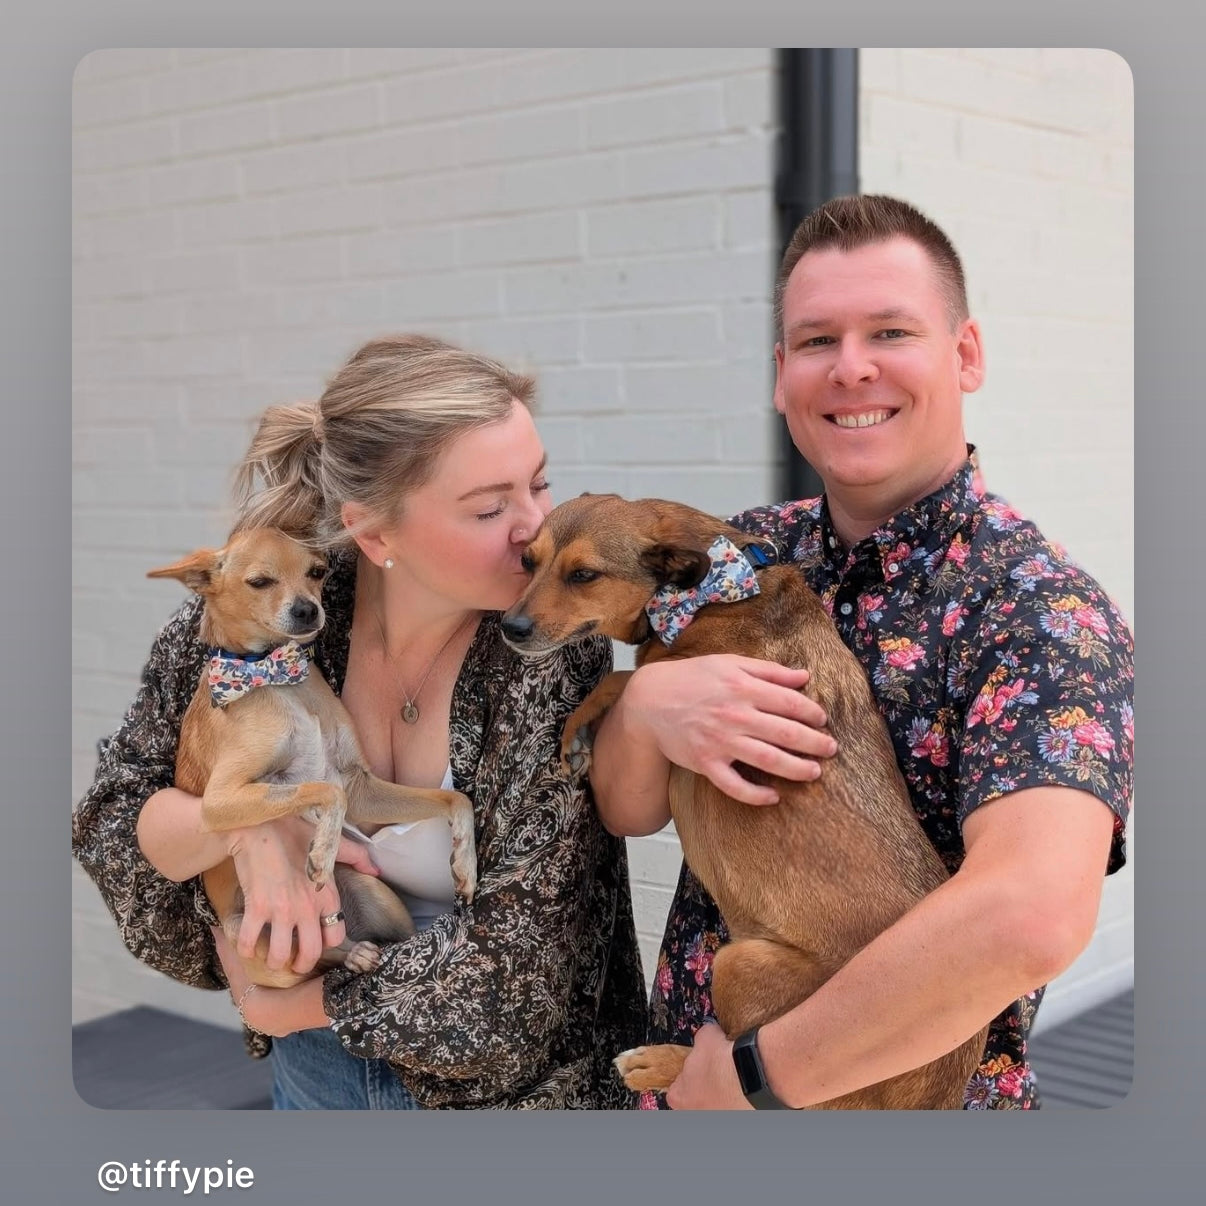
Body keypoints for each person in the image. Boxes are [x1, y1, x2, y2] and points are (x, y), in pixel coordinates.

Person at [588, 194, 1133, 1110]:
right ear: (779, 372)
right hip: (691, 1083)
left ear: (965, 355)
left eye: (889, 331)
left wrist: (759, 1080)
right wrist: (645, 708)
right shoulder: (742, 556)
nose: (850, 369)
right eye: (815, 341)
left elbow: (1030, 913)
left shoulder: (1040, 610)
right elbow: (628, 808)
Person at [72, 334, 646, 1110]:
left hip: (512, 1109)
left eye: (539, 486)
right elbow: (111, 823)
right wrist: (250, 828)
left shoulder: (547, 653)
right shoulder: (260, 607)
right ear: (375, 534)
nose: (535, 526)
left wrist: (288, 1005)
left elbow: (516, 983)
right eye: (490, 506)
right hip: (315, 1078)